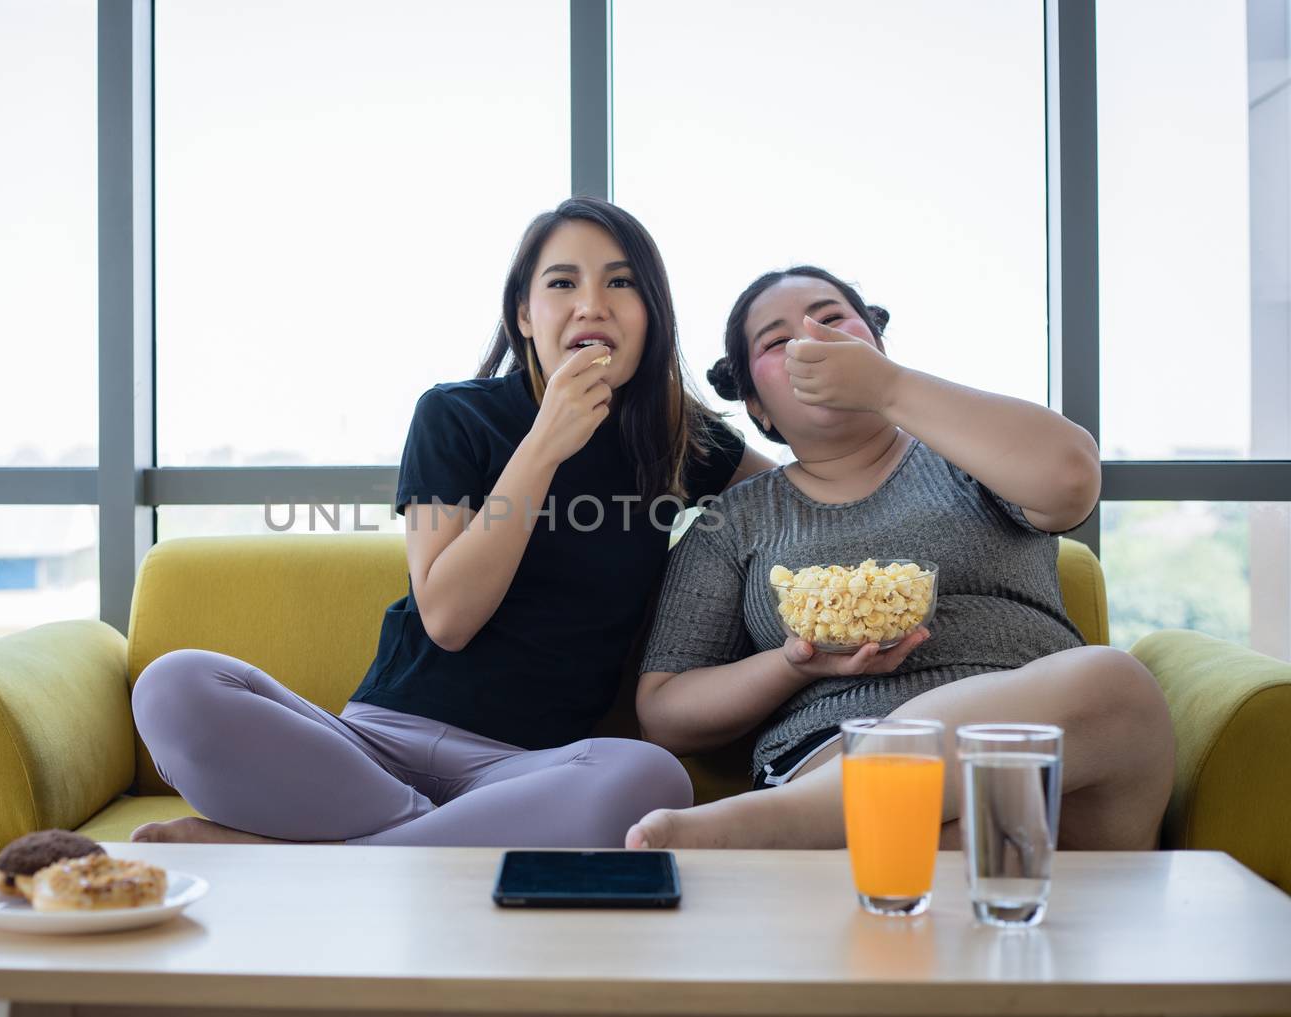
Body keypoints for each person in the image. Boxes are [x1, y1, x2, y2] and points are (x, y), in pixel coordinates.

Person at [129, 197, 773, 848]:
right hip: (371, 744)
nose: (592, 303)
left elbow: (798, 493)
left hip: (526, 773)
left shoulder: (680, 441)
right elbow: (447, 618)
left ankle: (313, 855)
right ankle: (418, 847)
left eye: (620, 281)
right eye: (561, 283)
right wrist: (544, 443)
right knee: (173, 685)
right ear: (524, 314)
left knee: (652, 775)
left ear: (651, 313)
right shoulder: (454, 415)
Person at [625, 266, 1175, 852]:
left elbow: (1070, 480)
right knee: (964, 843)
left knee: (1114, 682)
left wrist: (890, 388)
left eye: (833, 319)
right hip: (839, 761)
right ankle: (805, 825)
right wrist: (795, 664)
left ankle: (771, 835)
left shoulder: (970, 456)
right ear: (757, 406)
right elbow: (664, 712)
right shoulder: (733, 523)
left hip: (1051, 760)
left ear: (878, 347)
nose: (813, 341)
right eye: (777, 341)